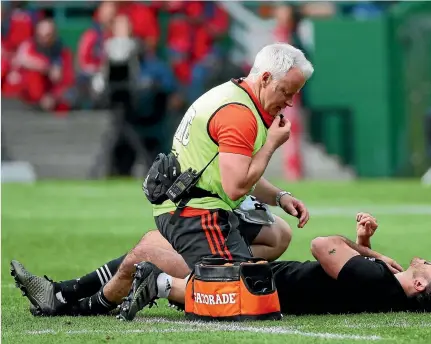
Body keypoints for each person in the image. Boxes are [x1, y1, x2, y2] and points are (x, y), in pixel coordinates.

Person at [10, 43, 313, 317]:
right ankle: (160, 282)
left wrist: (280, 197)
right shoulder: (240, 114)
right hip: (197, 213)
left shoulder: (236, 95)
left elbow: (233, 171)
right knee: (242, 295)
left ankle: (64, 294)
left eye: (294, 94)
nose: (288, 102)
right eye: (286, 91)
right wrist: (272, 144)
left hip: (186, 201)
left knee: (278, 234)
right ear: (264, 79)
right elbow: (236, 184)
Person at [11, 213, 431, 319]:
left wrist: (365, 251)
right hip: (253, 287)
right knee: (274, 234)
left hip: (246, 284)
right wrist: (368, 245)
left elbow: (323, 243)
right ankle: (79, 295)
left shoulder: (375, 280)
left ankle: (65, 297)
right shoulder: (382, 289)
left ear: (425, 286)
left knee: (149, 245)